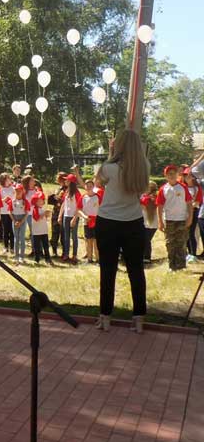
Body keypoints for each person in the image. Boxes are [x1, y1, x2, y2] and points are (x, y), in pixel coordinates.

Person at [94, 129, 150, 333]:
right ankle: (139, 318)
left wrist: (110, 154)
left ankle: (105, 317)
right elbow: (143, 190)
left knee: (107, 271)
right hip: (134, 223)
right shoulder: (144, 167)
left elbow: (98, 182)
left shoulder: (108, 167)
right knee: (136, 271)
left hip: (108, 222)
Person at [157, 164, 193, 271]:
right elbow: (159, 206)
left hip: (182, 219)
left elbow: (189, 203)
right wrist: (160, 221)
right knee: (170, 243)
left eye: (173, 173)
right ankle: (172, 266)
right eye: (169, 174)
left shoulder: (183, 187)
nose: (172, 176)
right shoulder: (163, 189)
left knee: (181, 243)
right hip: (169, 220)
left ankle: (181, 265)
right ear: (166, 176)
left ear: (177, 174)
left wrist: (190, 217)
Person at [60, 174, 83, 264]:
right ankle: (66, 255)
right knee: (66, 237)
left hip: (73, 217)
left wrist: (74, 218)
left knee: (74, 237)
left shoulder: (77, 193)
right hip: (66, 216)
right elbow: (63, 204)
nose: (65, 181)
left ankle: (74, 255)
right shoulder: (66, 191)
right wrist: (60, 215)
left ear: (71, 182)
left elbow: (79, 207)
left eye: (67, 180)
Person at [7, 184, 31, 264]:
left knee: (22, 238)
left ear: (22, 191)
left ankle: (22, 256)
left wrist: (21, 221)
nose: (18, 192)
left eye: (19, 191)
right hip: (15, 220)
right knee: (16, 238)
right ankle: (16, 256)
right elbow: (10, 212)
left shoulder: (25, 201)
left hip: (22, 220)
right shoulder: (12, 201)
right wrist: (14, 221)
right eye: (16, 191)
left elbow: (27, 213)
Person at [78, 179, 100, 264]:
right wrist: (85, 216)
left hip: (96, 222)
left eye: (91, 186)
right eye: (87, 186)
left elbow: (103, 208)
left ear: (93, 187)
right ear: (85, 187)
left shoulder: (98, 197)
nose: (89, 187)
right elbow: (79, 210)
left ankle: (98, 259)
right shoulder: (83, 197)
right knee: (88, 240)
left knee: (96, 241)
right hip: (86, 222)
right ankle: (89, 259)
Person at [181, 168, 202, 257]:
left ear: (193, 177)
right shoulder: (181, 187)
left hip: (193, 212)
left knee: (191, 233)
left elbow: (197, 202)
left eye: (189, 175)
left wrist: (189, 206)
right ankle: (183, 253)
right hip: (182, 212)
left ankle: (192, 254)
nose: (187, 177)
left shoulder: (197, 188)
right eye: (185, 175)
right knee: (182, 233)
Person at [48, 173, 67, 257]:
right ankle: (54, 251)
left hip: (64, 213)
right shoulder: (58, 189)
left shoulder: (68, 189)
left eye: (61, 179)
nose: (59, 181)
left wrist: (59, 199)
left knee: (64, 234)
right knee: (55, 233)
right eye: (59, 179)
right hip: (55, 213)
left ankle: (64, 252)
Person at [31, 194, 53, 265]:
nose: (42, 201)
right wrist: (44, 214)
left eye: (42, 200)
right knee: (37, 247)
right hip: (37, 232)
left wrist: (47, 215)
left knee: (46, 246)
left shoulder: (42, 209)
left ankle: (48, 259)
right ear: (35, 202)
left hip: (44, 231)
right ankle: (37, 259)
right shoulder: (34, 209)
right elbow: (37, 219)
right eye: (40, 200)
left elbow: (43, 218)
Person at [140, 182, 159, 263]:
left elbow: (143, 206)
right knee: (145, 240)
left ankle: (147, 257)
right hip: (148, 223)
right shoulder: (146, 196)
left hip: (150, 223)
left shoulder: (151, 197)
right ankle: (144, 256)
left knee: (146, 240)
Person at [0, 173, 15, 254]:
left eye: (9, 178)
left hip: (12, 212)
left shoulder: (13, 188)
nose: (9, 179)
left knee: (12, 230)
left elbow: (16, 198)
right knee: (5, 230)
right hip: (4, 212)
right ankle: (5, 247)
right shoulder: (1, 190)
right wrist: (3, 200)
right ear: (4, 180)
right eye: (8, 178)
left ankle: (12, 247)